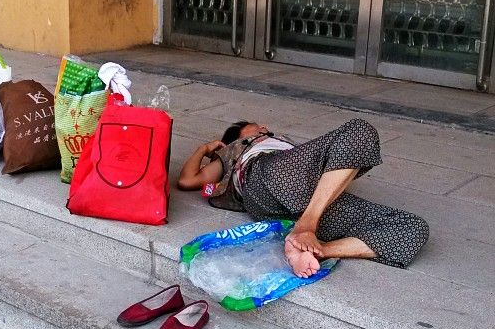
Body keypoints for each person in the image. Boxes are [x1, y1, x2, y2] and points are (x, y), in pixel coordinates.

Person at [177, 118, 429, 278]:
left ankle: (314, 249)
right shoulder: (237, 149)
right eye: (255, 126)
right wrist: (204, 149)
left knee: (412, 229)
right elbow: (187, 180)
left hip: (306, 203)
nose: (263, 126)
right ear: (240, 136)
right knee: (361, 131)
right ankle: (306, 226)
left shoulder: (287, 146)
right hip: (265, 179)